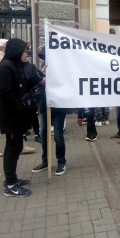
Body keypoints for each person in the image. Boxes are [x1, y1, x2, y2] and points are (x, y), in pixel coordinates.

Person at [0, 38, 35, 197]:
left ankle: (13, 179)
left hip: (17, 116)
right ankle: (10, 185)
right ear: (17, 51)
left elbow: (21, 86)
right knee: (12, 148)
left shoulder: (14, 66)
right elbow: (5, 93)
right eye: (24, 51)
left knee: (16, 146)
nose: (26, 54)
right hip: (12, 116)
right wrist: (20, 107)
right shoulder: (5, 67)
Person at [31, 46, 69, 175]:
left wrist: (50, 81)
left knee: (58, 136)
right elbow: (36, 81)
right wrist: (41, 76)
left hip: (58, 106)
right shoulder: (44, 64)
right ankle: (45, 161)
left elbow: (66, 82)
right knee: (43, 134)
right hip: (44, 105)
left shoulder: (62, 65)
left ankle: (61, 162)